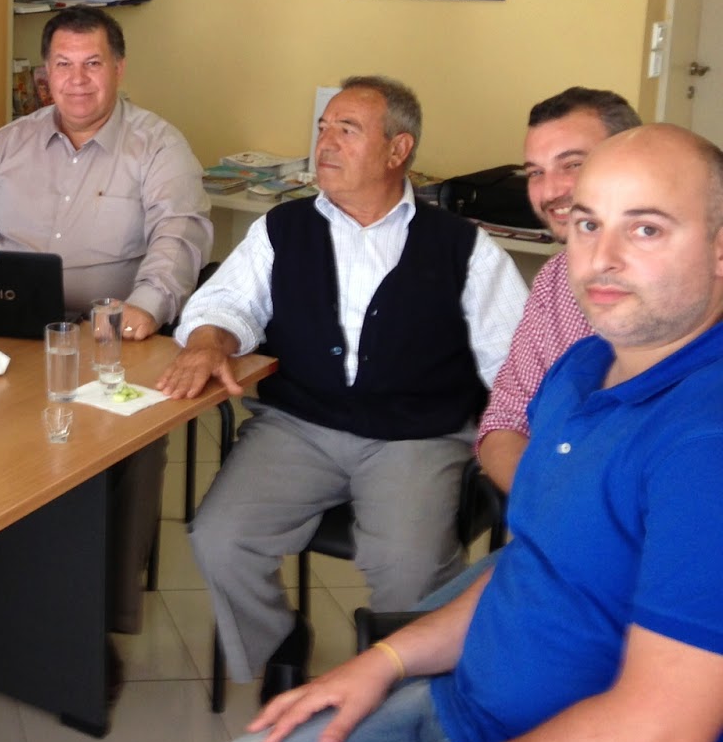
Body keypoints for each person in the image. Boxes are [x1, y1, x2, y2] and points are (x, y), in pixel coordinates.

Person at [222, 124, 723, 742]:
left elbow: (661, 731)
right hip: (454, 704)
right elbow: (534, 566)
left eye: (646, 229)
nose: (602, 258)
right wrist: (384, 661)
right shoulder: (584, 368)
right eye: (588, 224)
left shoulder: (702, 444)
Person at [159, 76, 526, 695]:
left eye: (347, 130)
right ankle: (279, 641)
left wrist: (515, 444)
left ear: (397, 149)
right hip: (299, 427)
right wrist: (210, 339)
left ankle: (401, 688)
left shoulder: (464, 246)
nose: (324, 142)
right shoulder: (283, 227)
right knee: (220, 539)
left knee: (409, 569)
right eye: (323, 127)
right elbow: (225, 303)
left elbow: (512, 360)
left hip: (416, 436)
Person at [0, 5, 212, 639]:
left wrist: (147, 305)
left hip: (109, 334)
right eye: (63, 64)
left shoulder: (158, 145)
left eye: (92, 64)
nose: (77, 80)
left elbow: (180, 235)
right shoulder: (7, 143)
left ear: (119, 69)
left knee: (132, 446)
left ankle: (104, 621)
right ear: (45, 74)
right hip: (2, 322)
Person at [476, 86, 639, 492]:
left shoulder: (683, 285)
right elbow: (505, 418)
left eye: (573, 164)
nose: (551, 191)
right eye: (535, 172)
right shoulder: (553, 280)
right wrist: (548, 506)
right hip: (550, 510)